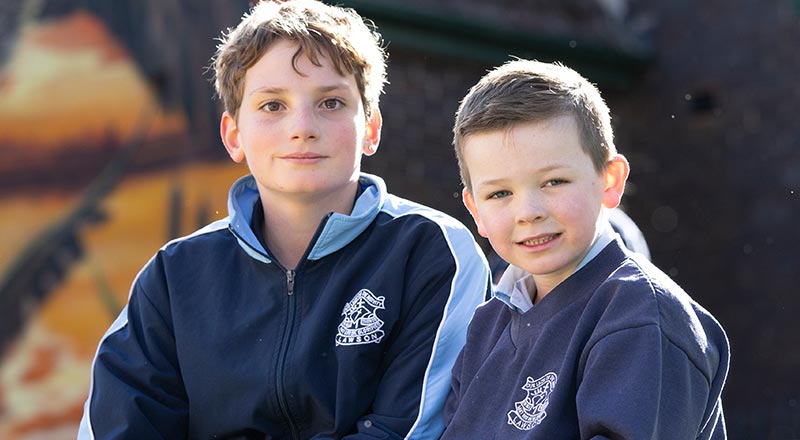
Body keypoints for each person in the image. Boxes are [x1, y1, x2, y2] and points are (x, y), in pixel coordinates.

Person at [77, 1, 490, 438]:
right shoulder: (174, 277)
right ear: (233, 135)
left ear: (370, 128)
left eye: (331, 102)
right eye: (273, 106)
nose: (302, 127)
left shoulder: (433, 253)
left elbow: (410, 430)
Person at [440, 59, 730, 439]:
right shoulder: (487, 325)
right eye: (500, 193)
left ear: (610, 181)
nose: (528, 212)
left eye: (553, 181)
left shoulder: (641, 315)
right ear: (475, 209)